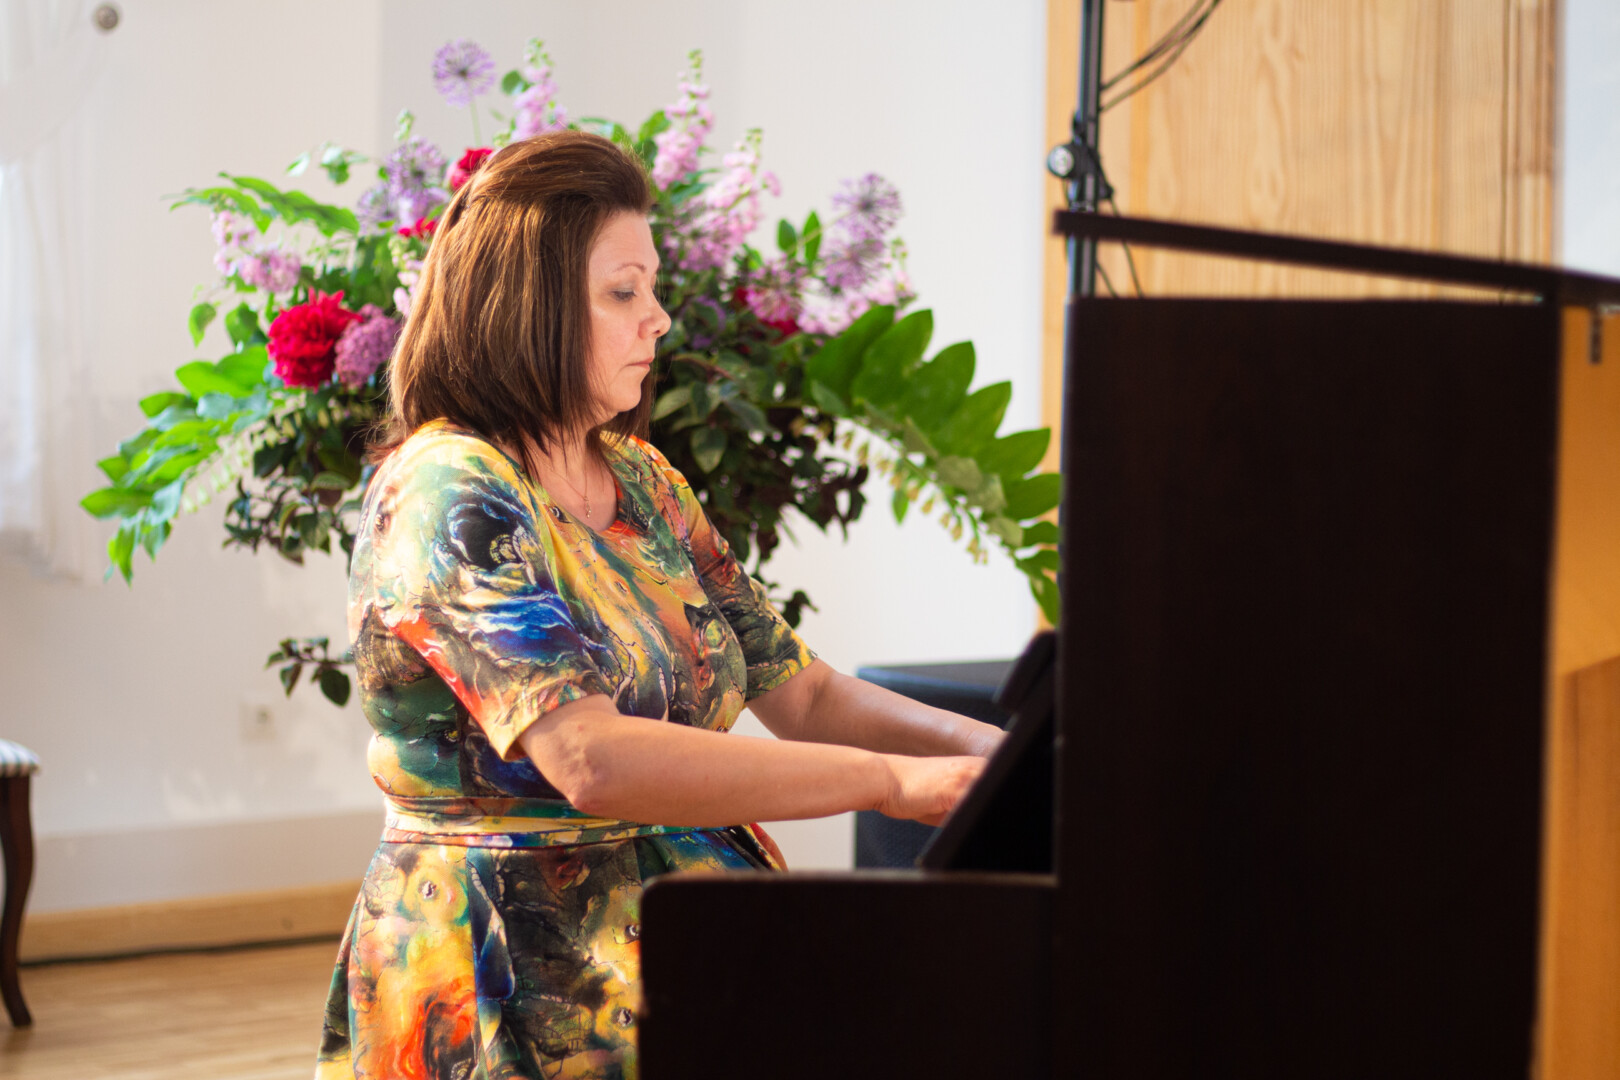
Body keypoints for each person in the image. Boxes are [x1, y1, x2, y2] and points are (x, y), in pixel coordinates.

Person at [315, 131, 1003, 1080]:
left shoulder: (642, 478)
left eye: (654, 288)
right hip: (510, 974)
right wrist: (888, 783)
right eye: (624, 291)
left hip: (690, 951)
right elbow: (589, 758)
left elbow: (802, 692)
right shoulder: (450, 487)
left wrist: (997, 753)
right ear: (530, 305)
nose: (660, 318)